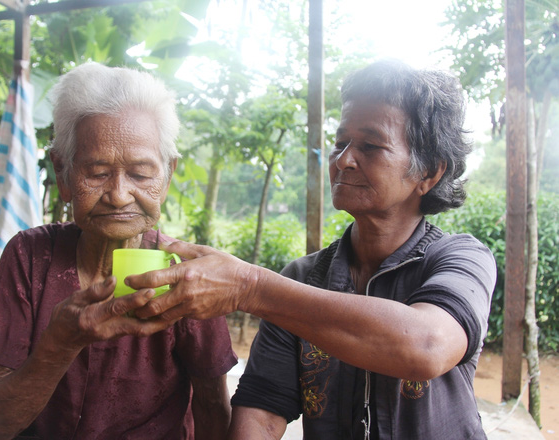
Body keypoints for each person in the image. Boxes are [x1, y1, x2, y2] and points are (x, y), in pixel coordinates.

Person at [128, 60, 497, 439]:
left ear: (430, 173)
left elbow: (426, 345)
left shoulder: (460, 259)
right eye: (341, 143)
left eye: (371, 146)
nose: (344, 160)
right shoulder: (303, 279)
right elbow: (261, 410)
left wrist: (250, 286)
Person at [0, 62, 237, 440]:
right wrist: (59, 344)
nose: (119, 194)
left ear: (167, 176)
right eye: (97, 172)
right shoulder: (29, 258)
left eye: (141, 174)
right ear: (63, 173)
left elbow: (212, 407)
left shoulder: (187, 274)